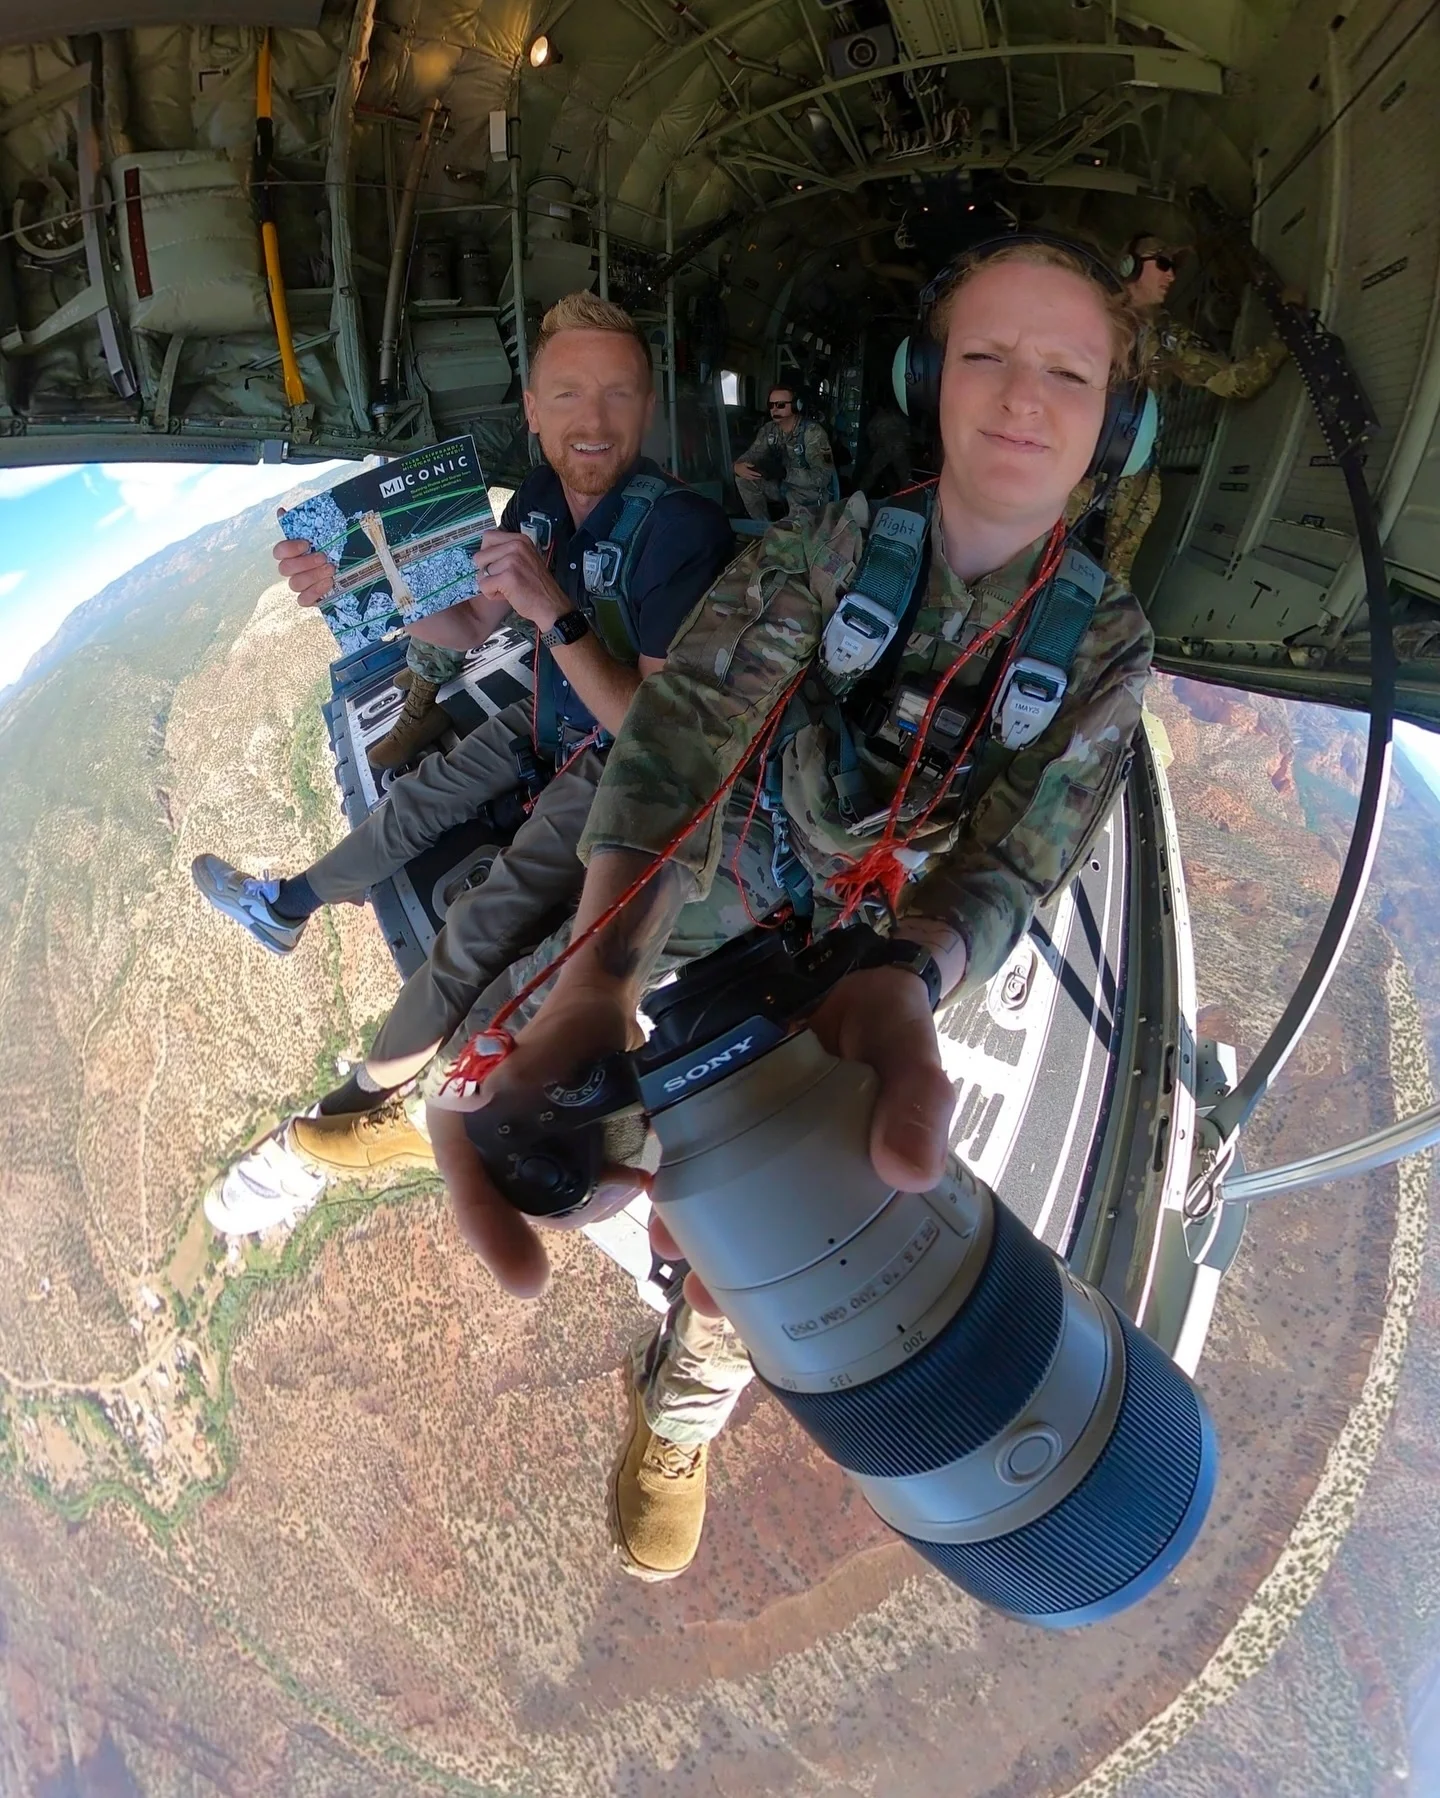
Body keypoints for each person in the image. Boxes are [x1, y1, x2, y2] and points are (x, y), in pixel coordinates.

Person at [422, 238, 1156, 1583]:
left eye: (1069, 371)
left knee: (798, 1213)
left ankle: (689, 1400)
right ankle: (507, 1119)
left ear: (1117, 423)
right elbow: (689, 728)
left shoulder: (1104, 647)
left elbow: (1017, 857)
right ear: (930, 379)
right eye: (987, 355)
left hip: (889, 933)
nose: (1021, 396)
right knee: (548, 1052)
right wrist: (603, 968)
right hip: (754, 853)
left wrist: (907, 978)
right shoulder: (836, 549)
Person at [192, 291, 735, 1173]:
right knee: (416, 803)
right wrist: (358, 592)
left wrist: (552, 611)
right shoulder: (538, 501)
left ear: (647, 406)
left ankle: (365, 1105)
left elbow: (651, 733)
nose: (593, 422)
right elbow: (471, 625)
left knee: (479, 926)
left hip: (616, 760)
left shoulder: (682, 530)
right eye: (568, 395)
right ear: (532, 409)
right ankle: (286, 907)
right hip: (548, 713)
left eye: (618, 395)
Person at [1078, 231, 1292, 586]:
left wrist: (1283, 336)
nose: (1172, 275)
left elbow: (1232, 381)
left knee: (1114, 579)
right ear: (1130, 266)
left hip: (1133, 471)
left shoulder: (1166, 335)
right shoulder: (1085, 313)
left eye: (1175, 267)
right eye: (1163, 264)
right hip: (1074, 459)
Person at [732, 385, 835, 522]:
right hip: (781, 486)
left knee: (794, 527)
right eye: (771, 405)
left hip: (809, 492)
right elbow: (752, 454)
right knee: (744, 479)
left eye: (780, 405)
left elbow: (822, 478)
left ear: (796, 406)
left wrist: (785, 473)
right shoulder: (769, 430)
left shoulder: (813, 433)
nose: (774, 409)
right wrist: (737, 466)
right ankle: (763, 527)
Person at [856, 400, 912, 498]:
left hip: (885, 449)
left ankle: (860, 494)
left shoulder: (875, 420)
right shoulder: (897, 417)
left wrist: (876, 447)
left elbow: (871, 437)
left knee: (872, 473)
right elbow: (907, 433)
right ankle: (908, 496)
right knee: (904, 476)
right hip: (897, 448)